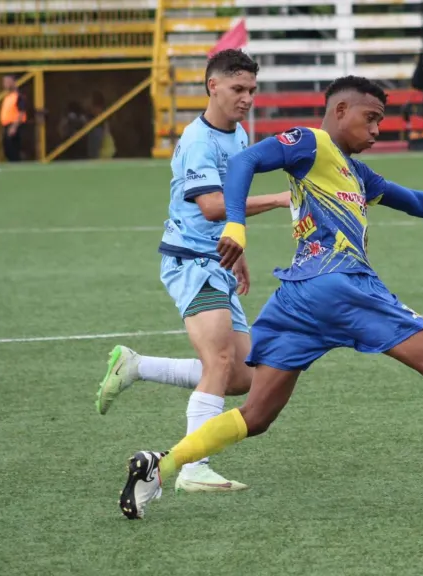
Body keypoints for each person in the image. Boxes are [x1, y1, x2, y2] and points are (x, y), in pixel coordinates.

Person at [117, 75, 423, 519]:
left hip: (296, 300)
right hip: (341, 281)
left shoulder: (354, 172)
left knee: (256, 415)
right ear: (340, 111)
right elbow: (244, 161)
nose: (377, 129)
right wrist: (236, 225)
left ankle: (159, 467)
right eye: (371, 118)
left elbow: (414, 200)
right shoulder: (311, 142)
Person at [98, 49, 288, 494]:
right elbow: (212, 205)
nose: (247, 99)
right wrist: (279, 200)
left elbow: (227, 209)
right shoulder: (199, 141)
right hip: (189, 262)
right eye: (238, 89)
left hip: (215, 258)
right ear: (213, 86)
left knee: (242, 376)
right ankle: (192, 466)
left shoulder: (238, 134)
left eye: (252, 91)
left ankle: (136, 366)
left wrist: (236, 245)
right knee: (220, 361)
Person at [0, 74, 27, 162]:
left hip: (14, 125)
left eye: (7, 82)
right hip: (7, 125)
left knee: (13, 150)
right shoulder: (7, 97)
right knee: (7, 149)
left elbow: (21, 112)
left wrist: (14, 127)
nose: (5, 84)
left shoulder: (18, 96)